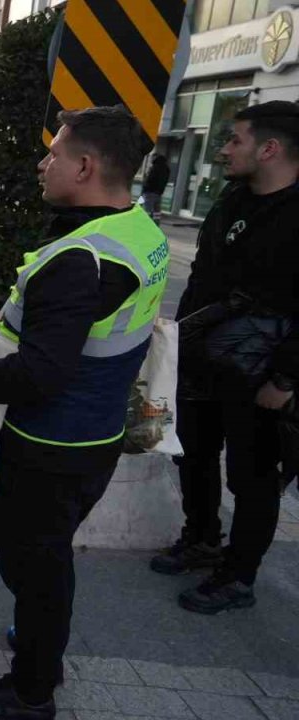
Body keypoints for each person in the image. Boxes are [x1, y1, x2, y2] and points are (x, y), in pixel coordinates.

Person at [0, 106, 169, 720]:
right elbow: (72, 326)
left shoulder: (82, 258)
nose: (44, 164)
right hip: (91, 436)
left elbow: (42, 372)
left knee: (30, 556)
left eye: (55, 154)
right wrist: (5, 318)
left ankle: (31, 690)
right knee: (43, 554)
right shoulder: (137, 231)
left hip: (52, 443)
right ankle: (41, 639)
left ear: (86, 166)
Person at [150, 100, 299, 614]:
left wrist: (284, 379)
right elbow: (203, 279)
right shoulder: (232, 201)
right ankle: (201, 538)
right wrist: (180, 341)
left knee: (252, 474)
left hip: (261, 373)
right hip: (204, 358)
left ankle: (238, 576)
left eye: (234, 139)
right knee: (192, 452)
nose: (224, 149)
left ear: (270, 148)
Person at [141, 154, 170, 222]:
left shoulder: (154, 168)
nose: (151, 159)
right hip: (159, 193)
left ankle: (146, 224)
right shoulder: (166, 169)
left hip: (149, 192)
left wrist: (145, 187)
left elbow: (150, 179)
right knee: (157, 211)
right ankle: (156, 224)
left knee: (147, 210)